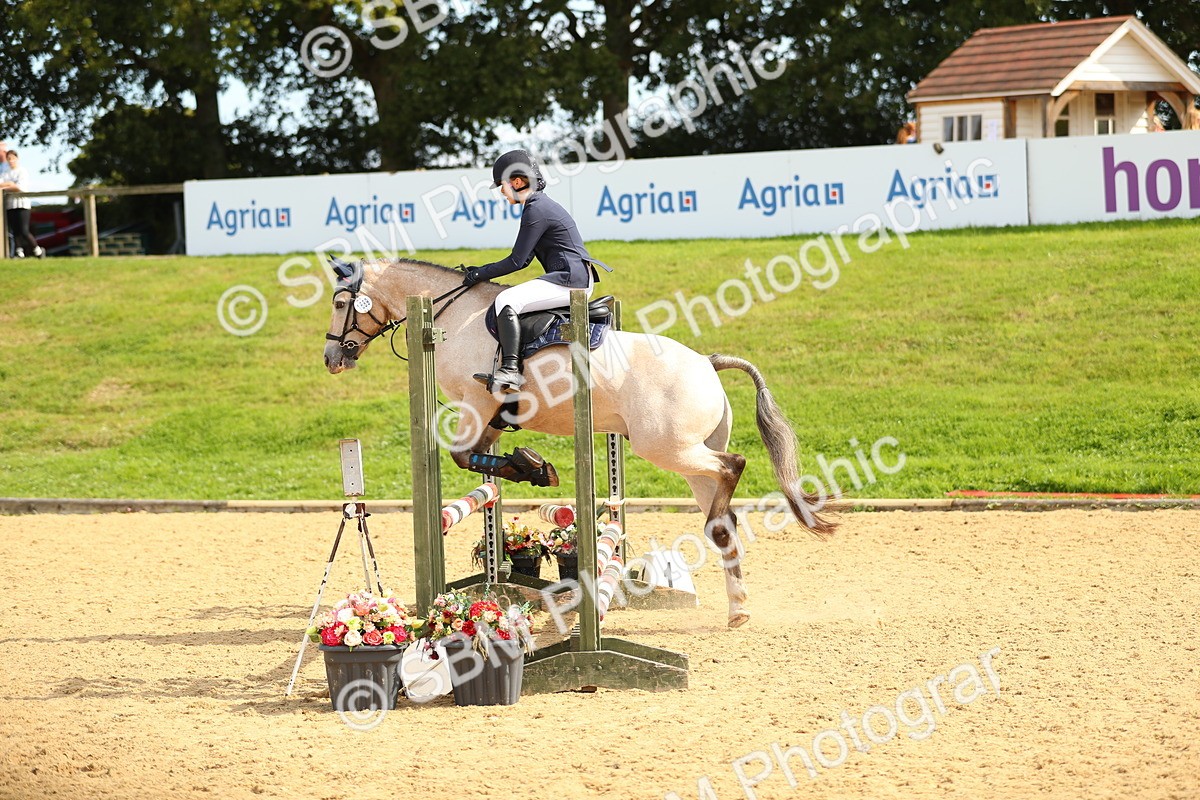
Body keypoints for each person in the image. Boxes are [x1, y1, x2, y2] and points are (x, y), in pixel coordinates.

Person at [461, 150, 609, 392]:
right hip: (571, 277)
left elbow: (516, 261)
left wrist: (480, 274)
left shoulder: (536, 209)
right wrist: (482, 272)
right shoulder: (539, 205)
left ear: (517, 182)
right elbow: (527, 258)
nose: (501, 191)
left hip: (570, 280)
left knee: (506, 300)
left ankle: (509, 371)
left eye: (502, 185)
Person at [0, 150, 44, 258]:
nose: (11, 161)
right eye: (9, 159)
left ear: (17, 158)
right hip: (10, 204)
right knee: (15, 230)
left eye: (12, 158)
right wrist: (10, 184)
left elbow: (19, 187)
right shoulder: (5, 172)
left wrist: (9, 185)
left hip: (22, 204)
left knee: (24, 230)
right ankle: (19, 252)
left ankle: (37, 250)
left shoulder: (22, 171)